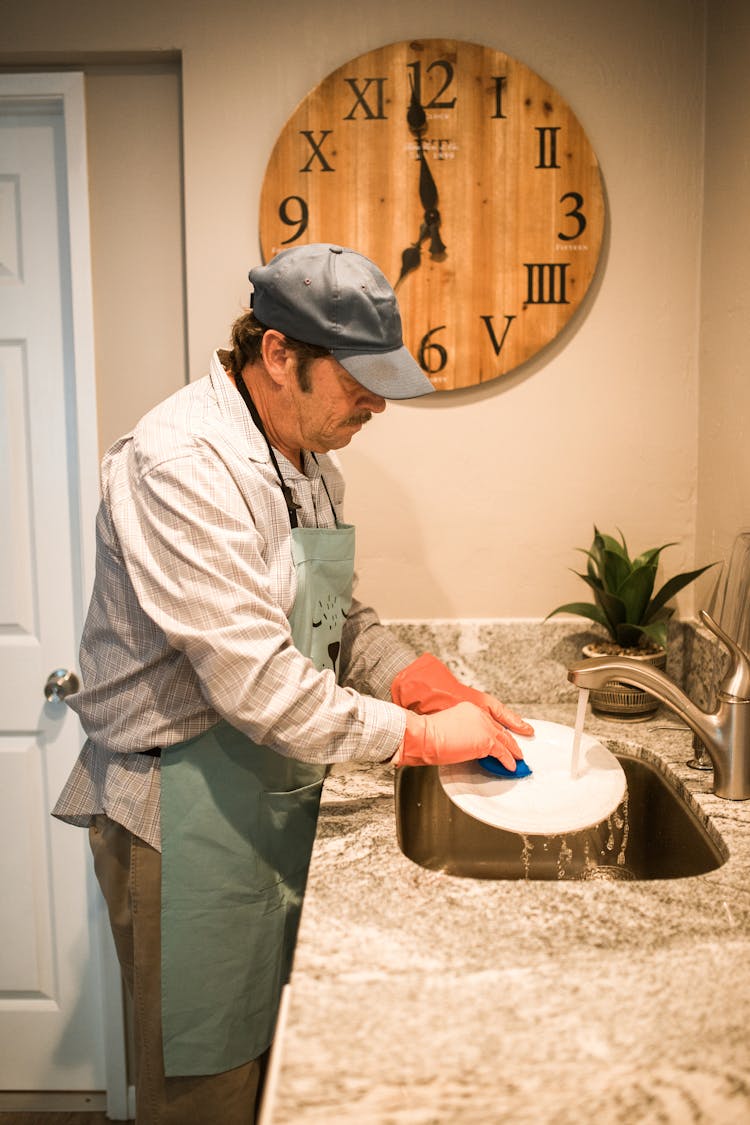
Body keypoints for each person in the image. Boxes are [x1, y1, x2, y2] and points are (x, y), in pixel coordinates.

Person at [53, 243, 532, 1124]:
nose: (377, 402)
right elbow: (260, 685)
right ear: (278, 354)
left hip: (266, 792)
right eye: (360, 378)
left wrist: (420, 679)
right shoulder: (181, 463)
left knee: (275, 1069)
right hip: (178, 812)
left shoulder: (310, 460)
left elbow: (336, 617)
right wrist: (415, 737)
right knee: (207, 1089)